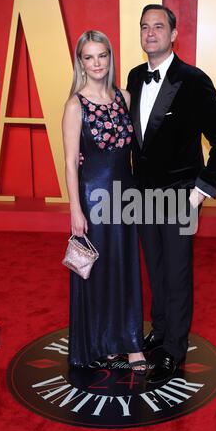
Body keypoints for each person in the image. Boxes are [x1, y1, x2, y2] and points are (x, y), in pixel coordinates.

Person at [126, 4, 216, 383]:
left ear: (174, 34)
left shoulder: (193, 80)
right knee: (155, 270)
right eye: (145, 27)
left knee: (176, 274)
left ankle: (174, 347)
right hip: (141, 197)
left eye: (158, 27)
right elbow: (134, 136)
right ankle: (159, 330)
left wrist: (201, 189)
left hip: (179, 196)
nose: (150, 33)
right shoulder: (135, 76)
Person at [62, 30, 146, 374]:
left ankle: (129, 343)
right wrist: (75, 210)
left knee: (125, 267)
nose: (97, 64)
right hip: (92, 199)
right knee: (97, 271)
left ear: (110, 59)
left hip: (124, 198)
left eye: (102, 56)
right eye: (89, 57)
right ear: (80, 63)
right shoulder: (74, 105)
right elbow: (69, 162)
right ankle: (102, 342)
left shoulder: (124, 97)